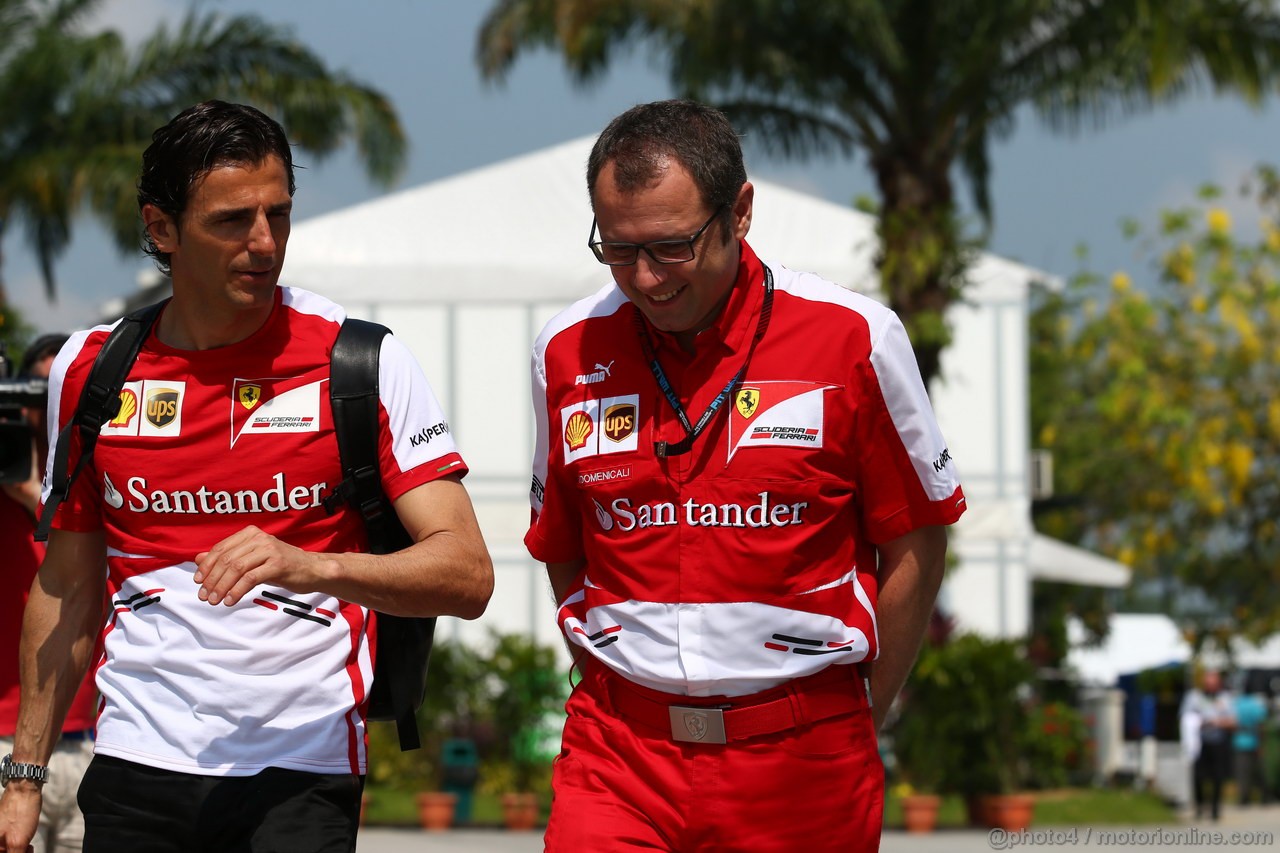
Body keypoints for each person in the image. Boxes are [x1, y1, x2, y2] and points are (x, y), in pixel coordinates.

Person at [0, 100, 493, 853]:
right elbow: (67, 586)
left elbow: (467, 572)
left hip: (301, 765)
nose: (265, 244)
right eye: (233, 220)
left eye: (280, 215)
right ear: (161, 228)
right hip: (136, 758)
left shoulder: (358, 360)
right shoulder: (92, 368)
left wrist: (313, 565)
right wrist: (26, 776)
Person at [526, 99, 966, 852]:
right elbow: (563, 540)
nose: (644, 278)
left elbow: (917, 541)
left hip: (800, 767)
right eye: (618, 249)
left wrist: (861, 707)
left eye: (671, 246)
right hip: (619, 760)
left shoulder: (854, 338)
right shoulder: (566, 349)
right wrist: (621, 672)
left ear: (742, 211)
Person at [1, 334, 98, 853]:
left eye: (65, 394)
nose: (52, 413)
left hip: (99, 744)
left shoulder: (108, 483)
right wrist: (22, 491)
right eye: (40, 398)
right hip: (7, 747)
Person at [1182, 669, 1235, 821]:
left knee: (1218, 777)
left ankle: (1215, 809)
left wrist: (1218, 722)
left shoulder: (1225, 698)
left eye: (1213, 682)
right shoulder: (1194, 697)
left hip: (1218, 741)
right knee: (1198, 776)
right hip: (1199, 742)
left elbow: (1233, 721)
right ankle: (1199, 807)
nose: (1210, 685)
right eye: (1208, 682)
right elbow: (1185, 717)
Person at [1233, 684, 1269, 805]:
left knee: (1242, 772)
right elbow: (1261, 724)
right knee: (1259, 771)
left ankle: (1244, 798)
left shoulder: (1237, 704)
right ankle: (1264, 797)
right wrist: (1261, 743)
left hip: (1240, 740)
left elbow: (1233, 721)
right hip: (1254, 740)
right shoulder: (1256, 704)